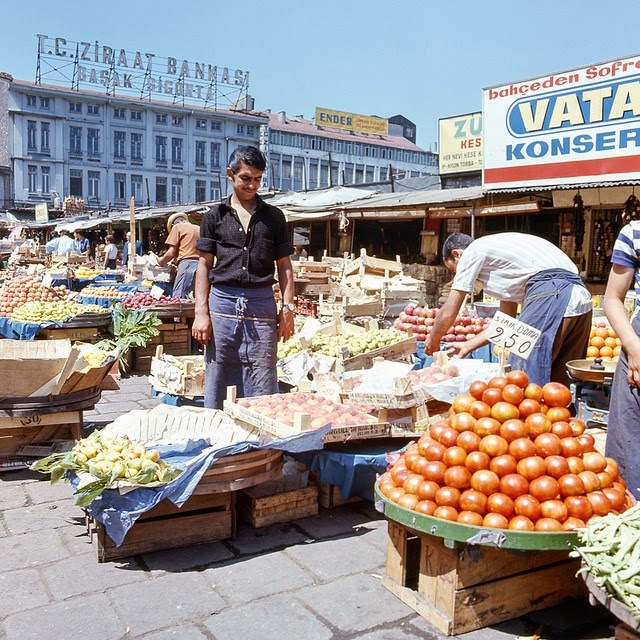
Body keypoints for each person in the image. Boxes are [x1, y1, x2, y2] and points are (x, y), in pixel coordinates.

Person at [192, 145, 295, 409]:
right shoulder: (215, 216)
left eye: (258, 179)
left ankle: (259, 438)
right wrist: (201, 312)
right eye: (246, 178)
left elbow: (284, 265)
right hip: (222, 305)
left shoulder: (274, 217)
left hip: (261, 305)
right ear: (230, 174)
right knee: (220, 369)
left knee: (262, 370)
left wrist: (288, 307)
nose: (252, 185)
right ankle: (219, 431)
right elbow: (204, 265)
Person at [424, 232, 592, 387]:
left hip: (550, 292)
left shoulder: (472, 251)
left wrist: (433, 338)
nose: (458, 274)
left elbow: (449, 311)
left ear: (456, 254)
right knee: (559, 387)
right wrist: (468, 345)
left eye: (453, 269)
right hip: (581, 298)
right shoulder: (505, 257)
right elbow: (507, 323)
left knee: (522, 377)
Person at [603, 217, 640, 498]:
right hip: (638, 346)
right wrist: (632, 345)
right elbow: (612, 298)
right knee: (629, 442)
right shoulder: (634, 232)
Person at [156, 213, 200, 299]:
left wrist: (160, 262)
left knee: (179, 298)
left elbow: (171, 253)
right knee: (193, 298)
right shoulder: (199, 228)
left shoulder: (177, 227)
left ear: (172, 225)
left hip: (187, 265)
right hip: (201, 265)